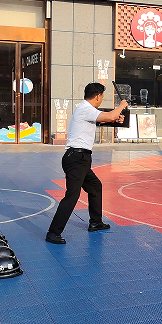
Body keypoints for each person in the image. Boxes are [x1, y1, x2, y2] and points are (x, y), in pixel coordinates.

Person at [46, 83, 128, 244]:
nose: (101, 100)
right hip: (77, 159)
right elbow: (108, 116)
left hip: (80, 159)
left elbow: (106, 119)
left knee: (95, 186)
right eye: (102, 97)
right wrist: (121, 106)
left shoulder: (86, 110)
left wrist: (117, 118)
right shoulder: (85, 109)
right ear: (97, 96)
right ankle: (53, 233)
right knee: (72, 195)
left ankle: (96, 222)